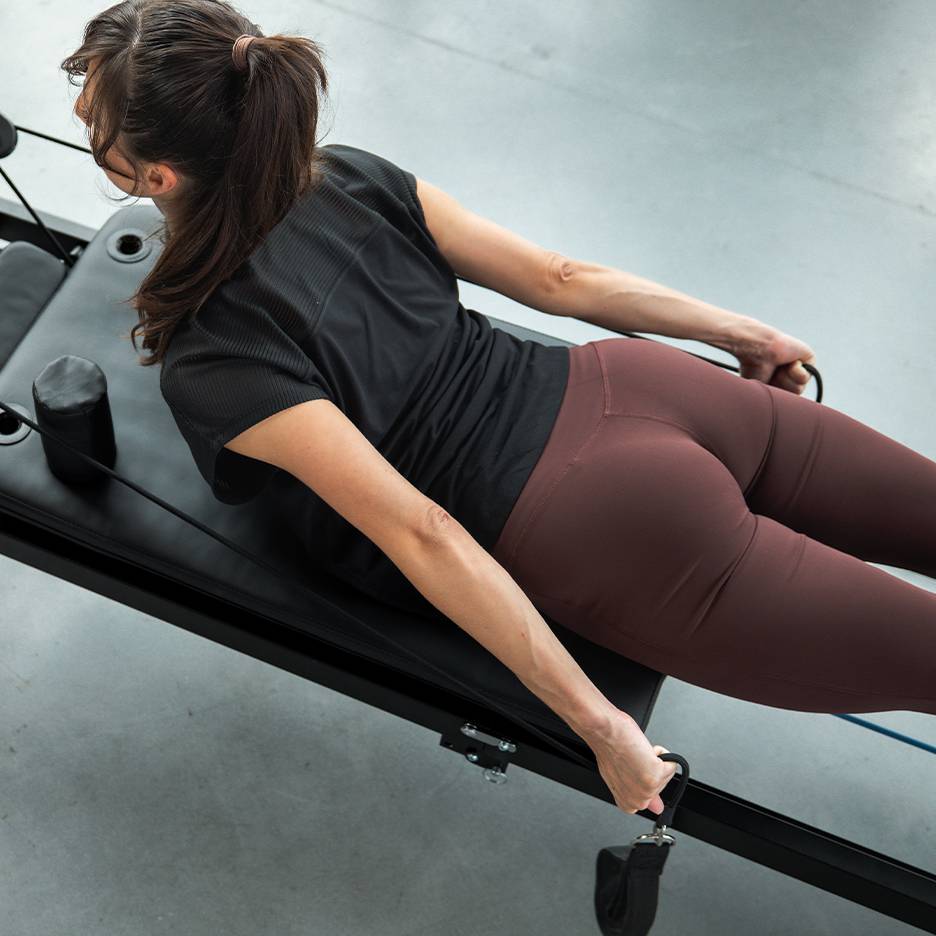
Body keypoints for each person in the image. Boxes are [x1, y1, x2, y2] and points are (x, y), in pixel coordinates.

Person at [62, 0, 936, 819]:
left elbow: (424, 531)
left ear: (156, 174)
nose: (78, 120)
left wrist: (602, 734)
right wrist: (741, 333)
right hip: (644, 386)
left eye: (92, 116)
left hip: (599, 523)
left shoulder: (215, 353)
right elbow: (563, 282)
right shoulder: (350, 174)